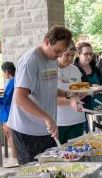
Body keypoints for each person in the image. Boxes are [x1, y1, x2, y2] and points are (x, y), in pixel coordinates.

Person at [8, 25, 76, 165]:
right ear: (46, 41)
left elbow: (47, 86)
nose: (59, 56)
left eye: (62, 52)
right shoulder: (30, 61)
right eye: (57, 51)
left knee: (49, 171)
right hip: (27, 130)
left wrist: (67, 94)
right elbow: (19, 97)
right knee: (34, 174)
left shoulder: (51, 59)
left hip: (45, 129)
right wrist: (47, 118)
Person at [56, 42, 85, 144]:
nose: (70, 58)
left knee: (76, 152)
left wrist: (88, 90)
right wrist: (70, 100)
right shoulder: (50, 70)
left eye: (72, 55)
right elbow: (48, 97)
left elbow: (80, 89)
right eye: (67, 55)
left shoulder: (75, 69)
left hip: (77, 118)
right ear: (59, 53)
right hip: (58, 120)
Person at [0, 61, 19, 168]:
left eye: (3, 72)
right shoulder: (12, 81)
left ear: (6, 71)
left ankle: (15, 157)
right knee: (8, 134)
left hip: (8, 111)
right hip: (7, 111)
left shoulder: (13, 82)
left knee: (9, 134)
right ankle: (14, 156)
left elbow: (6, 99)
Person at [74, 42, 102, 111]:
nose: (89, 57)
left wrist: (101, 87)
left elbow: (101, 85)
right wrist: (91, 88)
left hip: (100, 105)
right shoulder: (74, 69)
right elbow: (73, 87)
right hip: (84, 108)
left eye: (91, 54)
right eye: (86, 54)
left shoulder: (95, 68)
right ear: (78, 54)